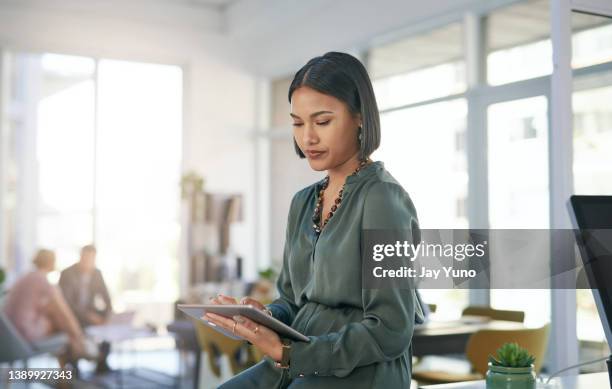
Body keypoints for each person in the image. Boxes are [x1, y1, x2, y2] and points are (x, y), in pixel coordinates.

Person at [204, 52, 425, 388]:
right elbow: (292, 302)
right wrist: (260, 317)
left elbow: (392, 328)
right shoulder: (303, 201)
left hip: (363, 368)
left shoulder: (383, 199)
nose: (307, 137)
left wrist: (291, 353)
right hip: (299, 359)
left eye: (322, 122)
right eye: (297, 123)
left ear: (360, 118)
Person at [3, 249, 96, 362]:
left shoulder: (25, 277)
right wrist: (77, 334)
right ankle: (80, 349)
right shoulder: (41, 280)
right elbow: (64, 312)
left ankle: (76, 351)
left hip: (7, 336)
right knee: (61, 322)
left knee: (51, 312)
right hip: (23, 335)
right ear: (51, 262)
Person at [59, 244, 113, 373]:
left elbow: (106, 296)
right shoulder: (67, 273)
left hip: (89, 311)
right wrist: (89, 316)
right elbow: (67, 303)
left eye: (91, 259)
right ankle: (73, 364)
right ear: (81, 257)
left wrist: (108, 314)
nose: (89, 261)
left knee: (107, 326)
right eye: (86, 258)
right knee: (74, 328)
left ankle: (102, 362)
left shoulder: (97, 273)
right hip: (71, 314)